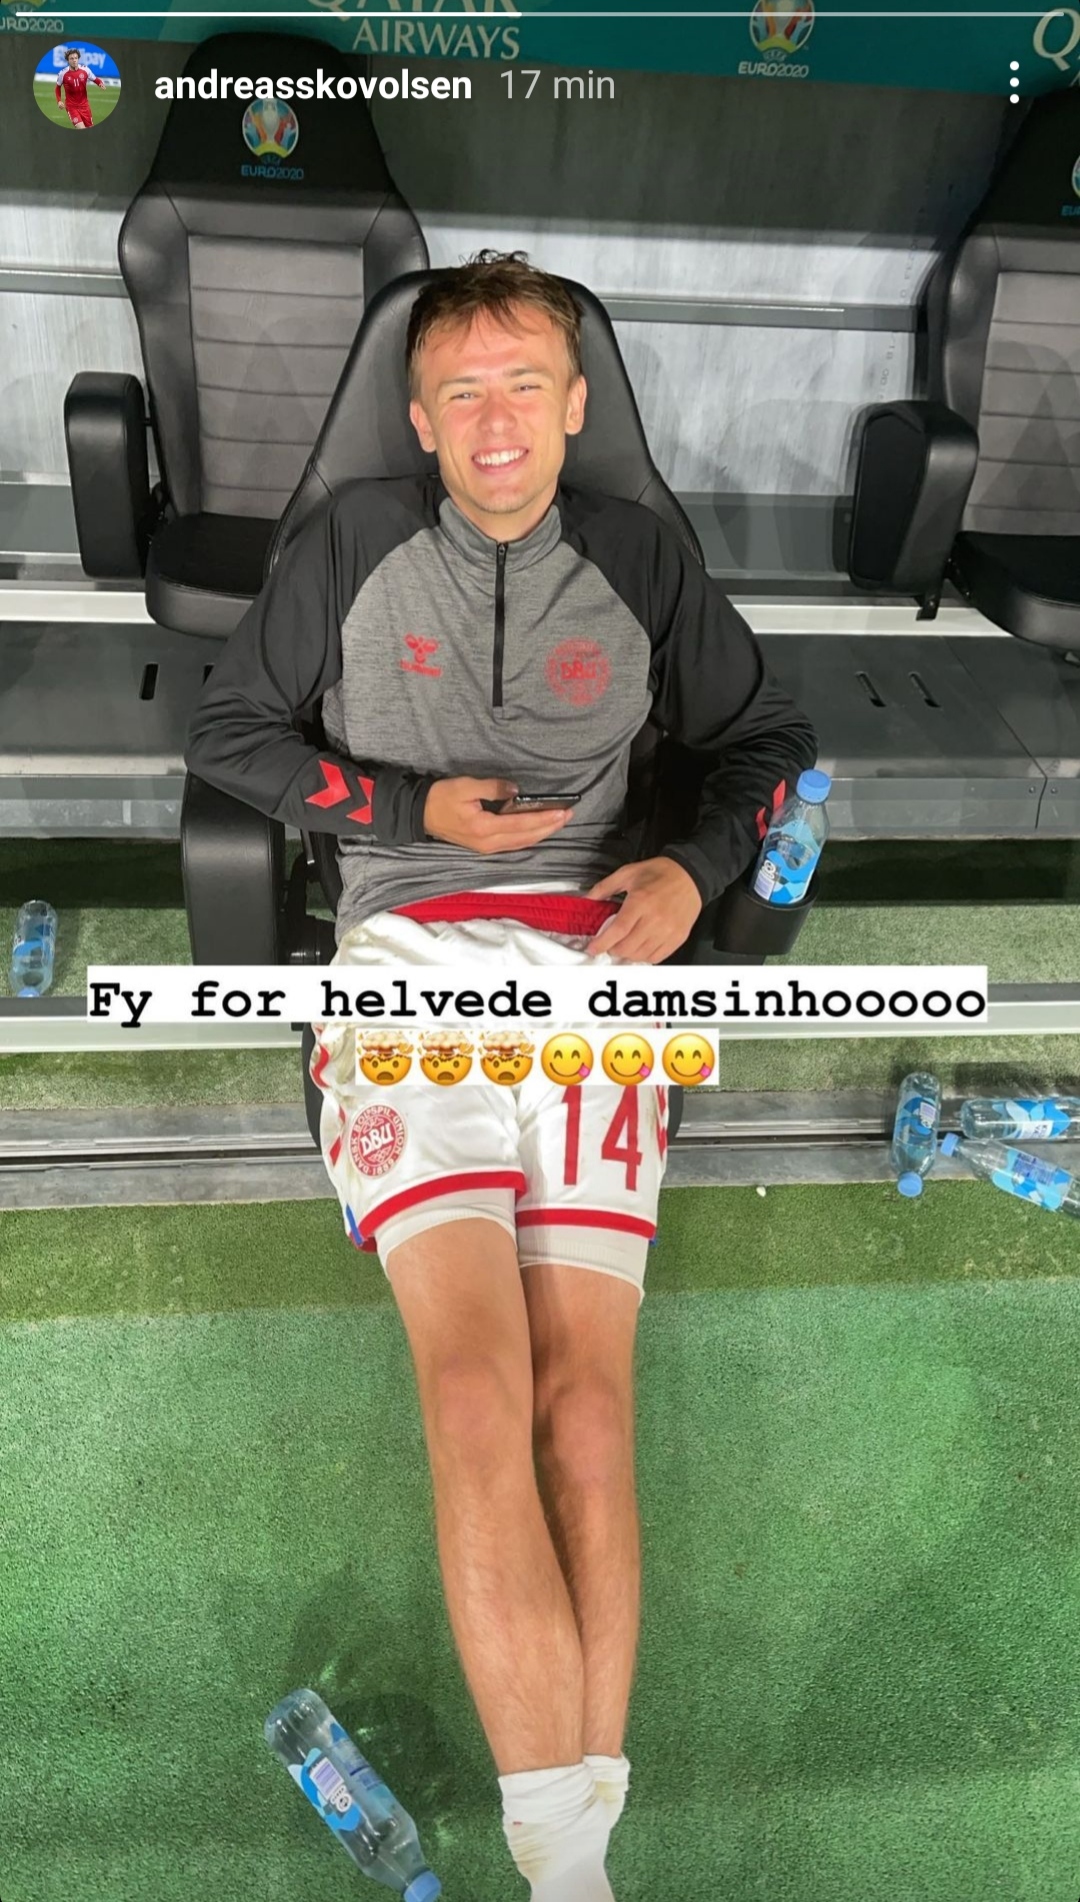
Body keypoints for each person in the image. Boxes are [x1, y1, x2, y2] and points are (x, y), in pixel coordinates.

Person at [185, 250, 818, 1900]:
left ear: (574, 403)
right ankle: (571, 1870)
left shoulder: (640, 555)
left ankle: (570, 1860)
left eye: (524, 384)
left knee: (585, 1411)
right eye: (460, 390)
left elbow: (770, 746)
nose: (494, 420)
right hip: (409, 956)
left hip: (598, 966)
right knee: (477, 1396)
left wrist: (690, 868)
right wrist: (406, 814)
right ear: (417, 416)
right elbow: (230, 732)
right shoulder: (349, 542)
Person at [54, 48, 104, 129]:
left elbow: (95, 79)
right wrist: (59, 101)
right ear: (68, 60)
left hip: (85, 106)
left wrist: (100, 83)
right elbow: (57, 88)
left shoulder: (85, 69)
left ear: (78, 59)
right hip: (71, 107)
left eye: (76, 58)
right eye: (71, 58)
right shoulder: (62, 73)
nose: (74, 60)